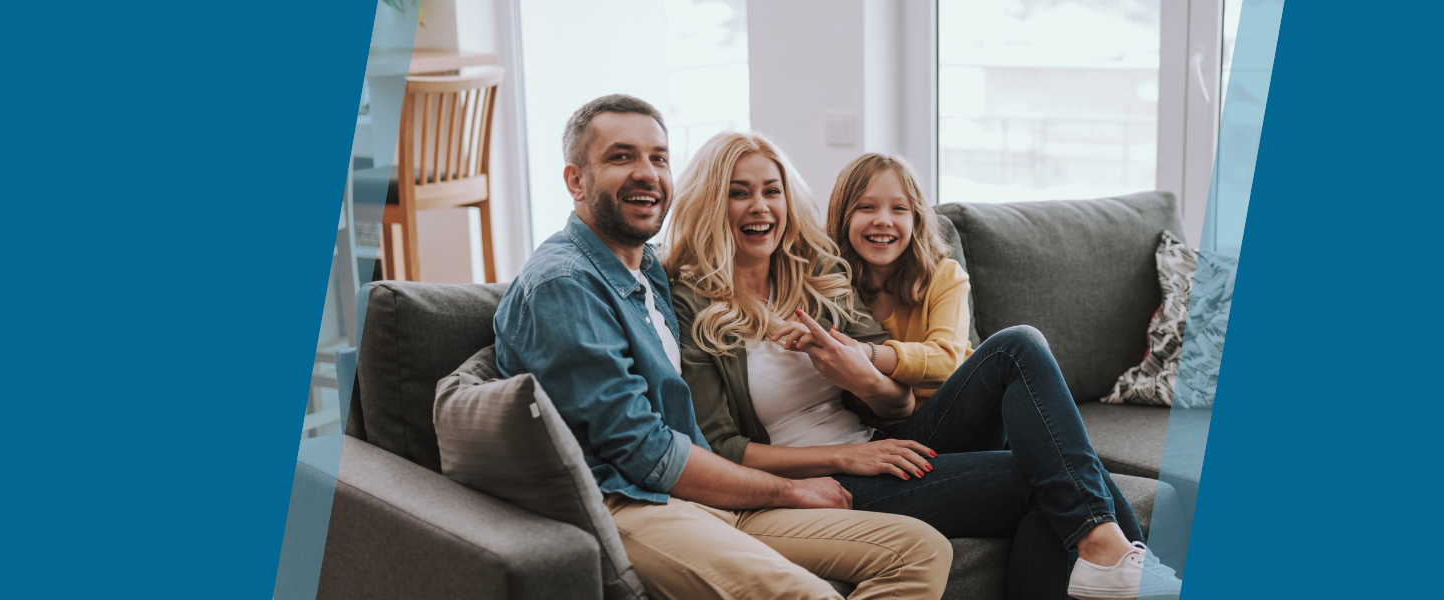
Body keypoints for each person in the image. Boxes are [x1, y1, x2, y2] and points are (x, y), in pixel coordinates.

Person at [665, 136, 1182, 600]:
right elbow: (722, 449)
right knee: (1046, 475)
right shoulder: (691, 303)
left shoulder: (813, 273)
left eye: (771, 191)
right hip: (822, 476)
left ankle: (1111, 553)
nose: (760, 206)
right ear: (713, 203)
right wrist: (849, 459)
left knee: (1017, 348)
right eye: (740, 192)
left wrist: (861, 374)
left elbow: (899, 402)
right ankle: (1120, 555)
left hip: (885, 443)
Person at [493, 96, 951, 600]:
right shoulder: (566, 284)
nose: (646, 173)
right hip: (640, 500)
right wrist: (790, 489)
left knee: (923, 551)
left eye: (658, 158)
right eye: (621, 157)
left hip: (714, 497)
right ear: (576, 181)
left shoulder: (645, 269)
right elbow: (644, 453)